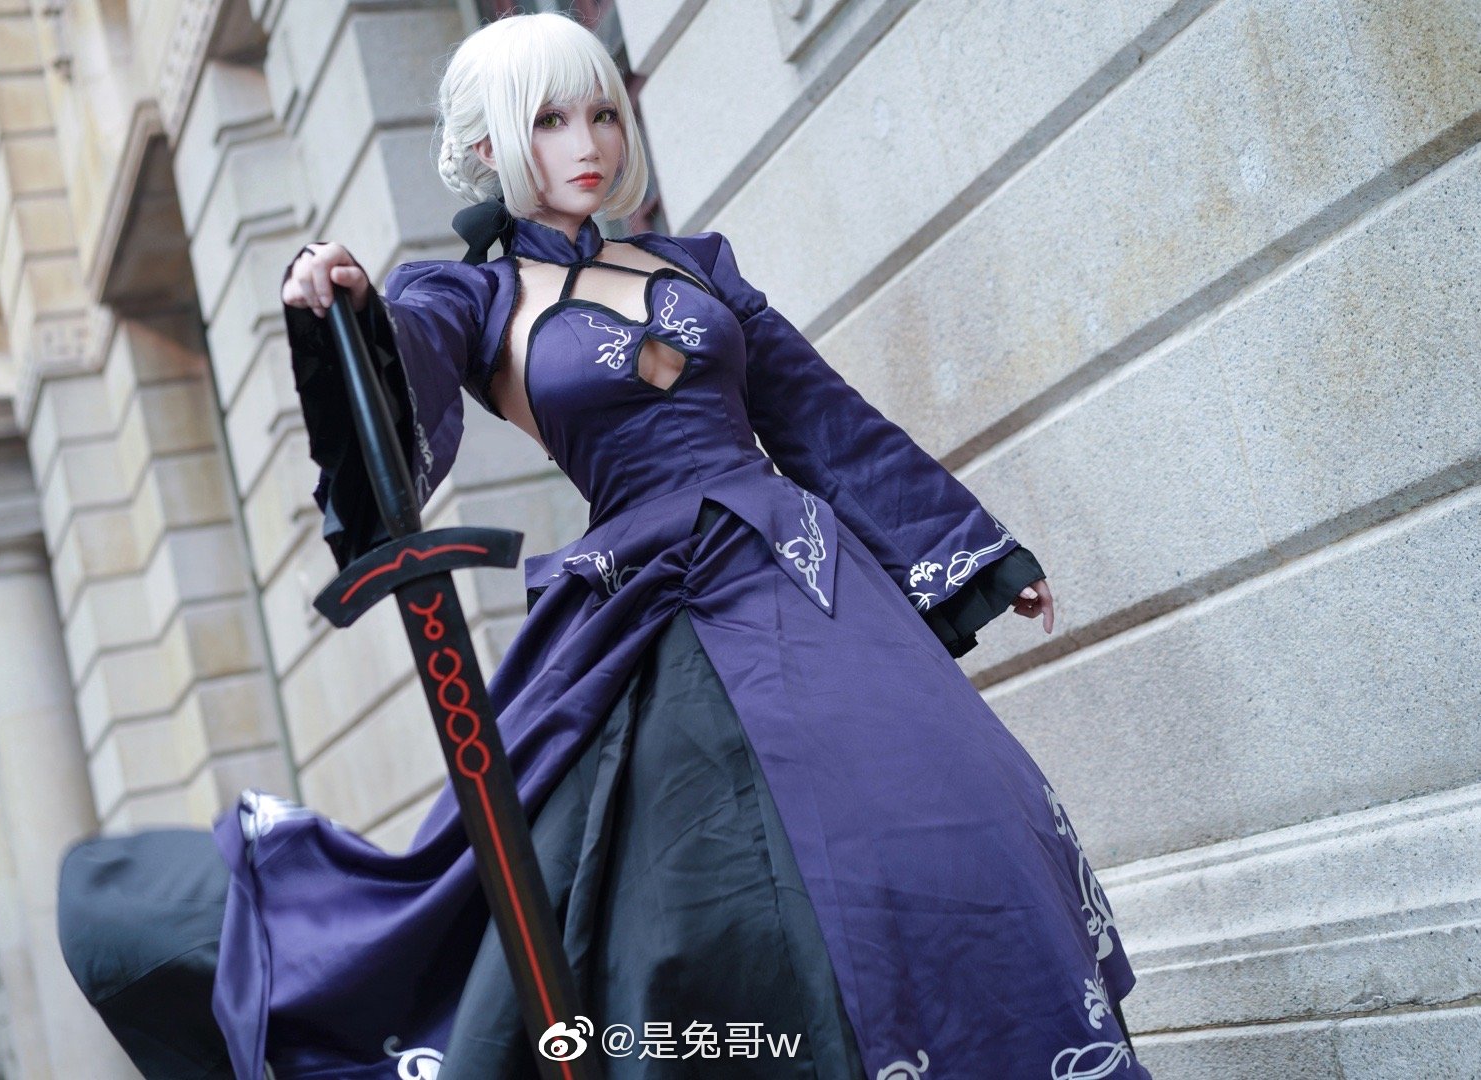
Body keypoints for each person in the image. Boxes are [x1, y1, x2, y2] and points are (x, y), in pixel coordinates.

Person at [187, 11, 1153, 1079]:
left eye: (602, 112)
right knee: (707, 894)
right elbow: (393, 412)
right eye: (548, 120)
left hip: (805, 572)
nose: (588, 143)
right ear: (486, 147)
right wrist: (348, 308)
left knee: (956, 812)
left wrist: (966, 546)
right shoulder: (467, 297)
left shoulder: (696, 265)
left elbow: (819, 417)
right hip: (650, 606)